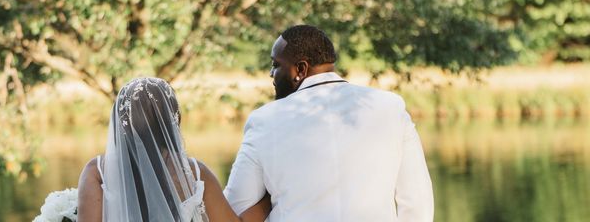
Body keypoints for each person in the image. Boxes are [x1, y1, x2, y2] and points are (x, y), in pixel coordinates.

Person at [224, 24, 434, 221]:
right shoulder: (390, 107)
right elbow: (417, 202)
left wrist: (274, 196)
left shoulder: (264, 120)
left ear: (300, 70)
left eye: (275, 65)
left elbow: (236, 206)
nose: (271, 74)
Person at [77, 77, 270, 222]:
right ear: (172, 121)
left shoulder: (97, 172)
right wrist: (270, 198)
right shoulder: (194, 173)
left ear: (122, 124)